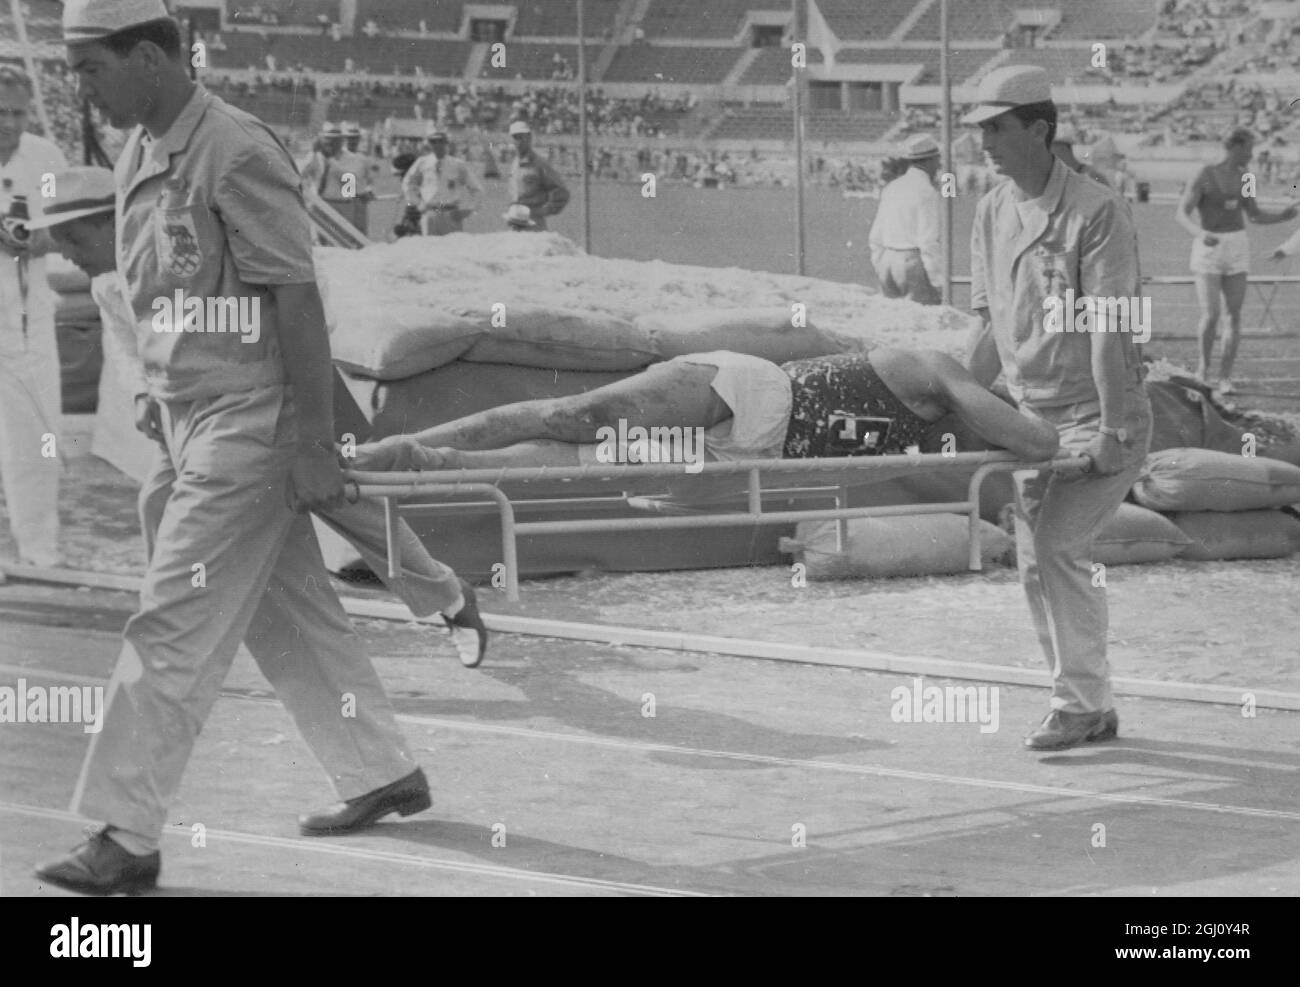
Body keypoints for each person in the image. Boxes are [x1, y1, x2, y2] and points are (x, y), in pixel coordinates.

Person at [35, 1, 482, 897]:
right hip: (192, 417)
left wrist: (313, 442)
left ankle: (125, 831)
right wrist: (164, 402)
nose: (79, 85)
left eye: (92, 67)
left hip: (253, 422)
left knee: (172, 618)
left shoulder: (234, 150)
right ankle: (376, 768)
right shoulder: (137, 154)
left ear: (153, 57)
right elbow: (169, 301)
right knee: (287, 611)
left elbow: (295, 299)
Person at [29, 163, 487, 664]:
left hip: (273, 390)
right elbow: (124, 344)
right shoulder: (106, 282)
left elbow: (307, 299)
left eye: (73, 239)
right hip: (195, 414)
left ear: (112, 224)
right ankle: (176, 627)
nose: (67, 256)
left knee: (345, 502)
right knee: (160, 502)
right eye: (58, 244)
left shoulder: (190, 250)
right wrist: (142, 392)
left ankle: (449, 596)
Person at [964, 65, 1152, 752]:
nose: (983, 141)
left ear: (1040, 128)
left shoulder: (1096, 211)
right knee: (1033, 562)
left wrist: (1110, 430)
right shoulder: (990, 209)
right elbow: (989, 329)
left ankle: (1078, 703)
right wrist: (952, 400)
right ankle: (1086, 702)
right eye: (978, 128)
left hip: (1098, 409)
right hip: (1029, 421)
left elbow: (1109, 330)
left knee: (1056, 547)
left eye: (997, 127)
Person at [348, 348, 1061, 472]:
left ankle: (428, 459)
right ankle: (405, 442)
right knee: (574, 417)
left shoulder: (946, 430)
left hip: (747, 450)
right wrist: (1053, 435)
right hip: (754, 391)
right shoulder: (939, 369)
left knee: (578, 458)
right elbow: (1021, 435)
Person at [0, 64, 66, 569]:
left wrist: (33, 239)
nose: (11, 123)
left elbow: (67, 228)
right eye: (1, 113)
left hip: (28, 323)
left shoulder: (45, 157)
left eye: (19, 112)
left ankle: (39, 553)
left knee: (39, 442)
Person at [1176, 127, 1297, 394]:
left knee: (1234, 314)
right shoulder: (1204, 173)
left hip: (1237, 245)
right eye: (1248, 148)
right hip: (1209, 246)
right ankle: (1204, 370)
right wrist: (1200, 233)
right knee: (1211, 314)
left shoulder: (1247, 177)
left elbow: (1254, 214)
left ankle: (1225, 377)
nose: (1252, 154)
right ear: (1234, 147)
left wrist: (1283, 216)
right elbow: (1182, 214)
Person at [868, 134, 943, 305]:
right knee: (924, 321)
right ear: (930, 161)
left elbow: (875, 236)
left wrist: (881, 264)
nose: (938, 166)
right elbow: (928, 242)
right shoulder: (927, 192)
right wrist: (937, 280)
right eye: (937, 161)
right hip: (911, 262)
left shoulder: (891, 187)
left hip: (887, 260)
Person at [401, 128, 482, 235]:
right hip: (429, 213)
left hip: (451, 213)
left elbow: (476, 189)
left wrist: (468, 210)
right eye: (433, 142)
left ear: (446, 143)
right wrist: (417, 203)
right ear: (429, 144)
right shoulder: (422, 163)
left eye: (441, 141)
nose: (437, 145)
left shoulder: (457, 164)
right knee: (428, 248)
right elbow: (408, 184)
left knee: (451, 249)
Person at [507, 119, 569, 231]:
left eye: (522, 137)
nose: (519, 141)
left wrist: (545, 210)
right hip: (515, 221)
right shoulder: (515, 163)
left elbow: (561, 191)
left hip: (534, 222)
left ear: (529, 138)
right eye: (515, 137)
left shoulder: (539, 163)